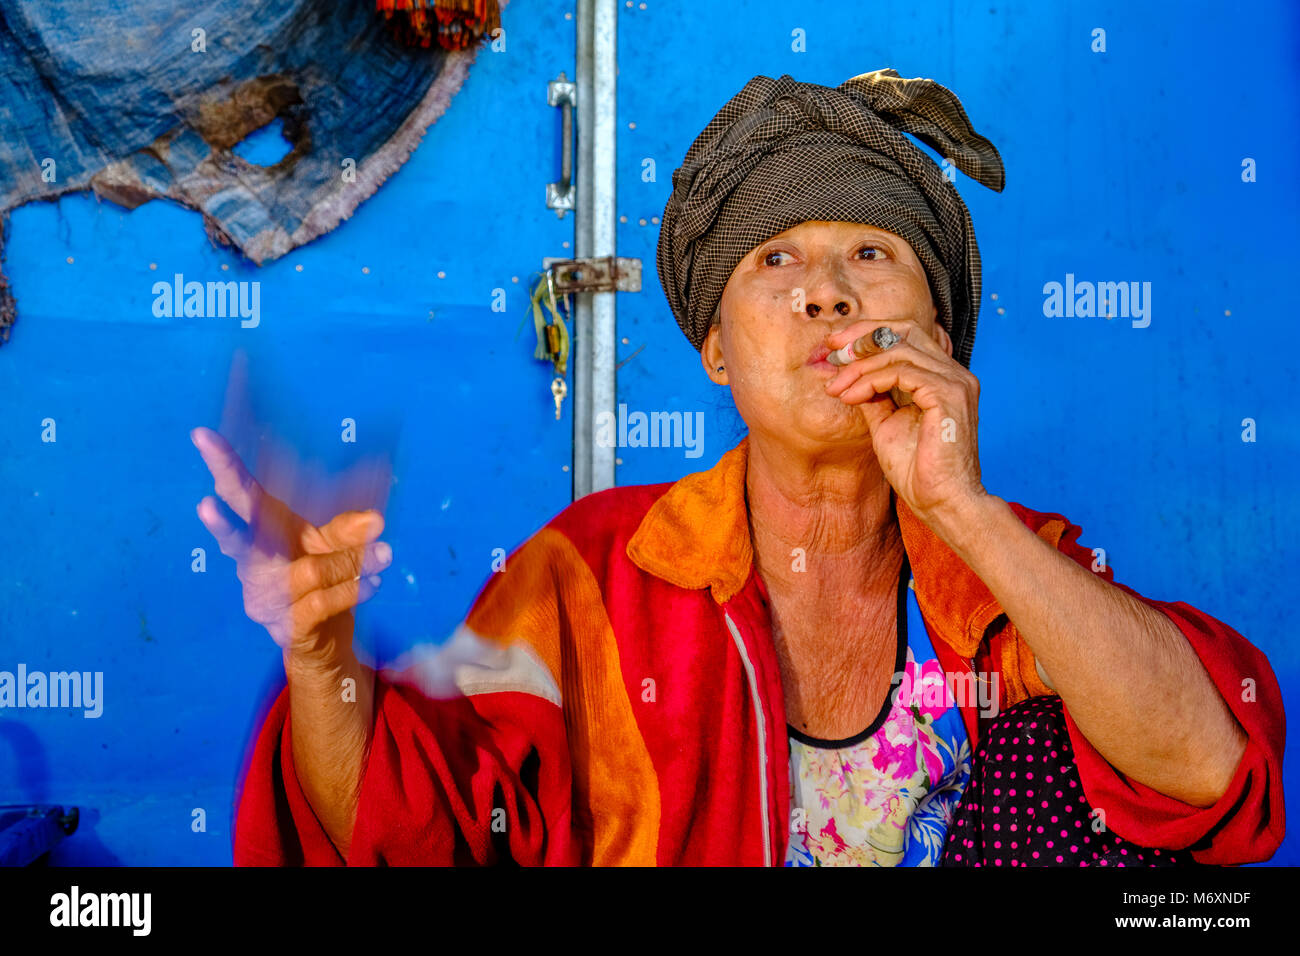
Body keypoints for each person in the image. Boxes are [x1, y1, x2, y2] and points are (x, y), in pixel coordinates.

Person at [195, 69, 1285, 867]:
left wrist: (963, 510)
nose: (825, 292)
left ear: (939, 333)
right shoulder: (592, 575)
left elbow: (1204, 772)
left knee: (1053, 751)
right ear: (715, 346)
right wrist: (320, 650)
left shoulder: (1013, 573)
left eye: (871, 253)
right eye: (775, 260)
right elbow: (418, 836)